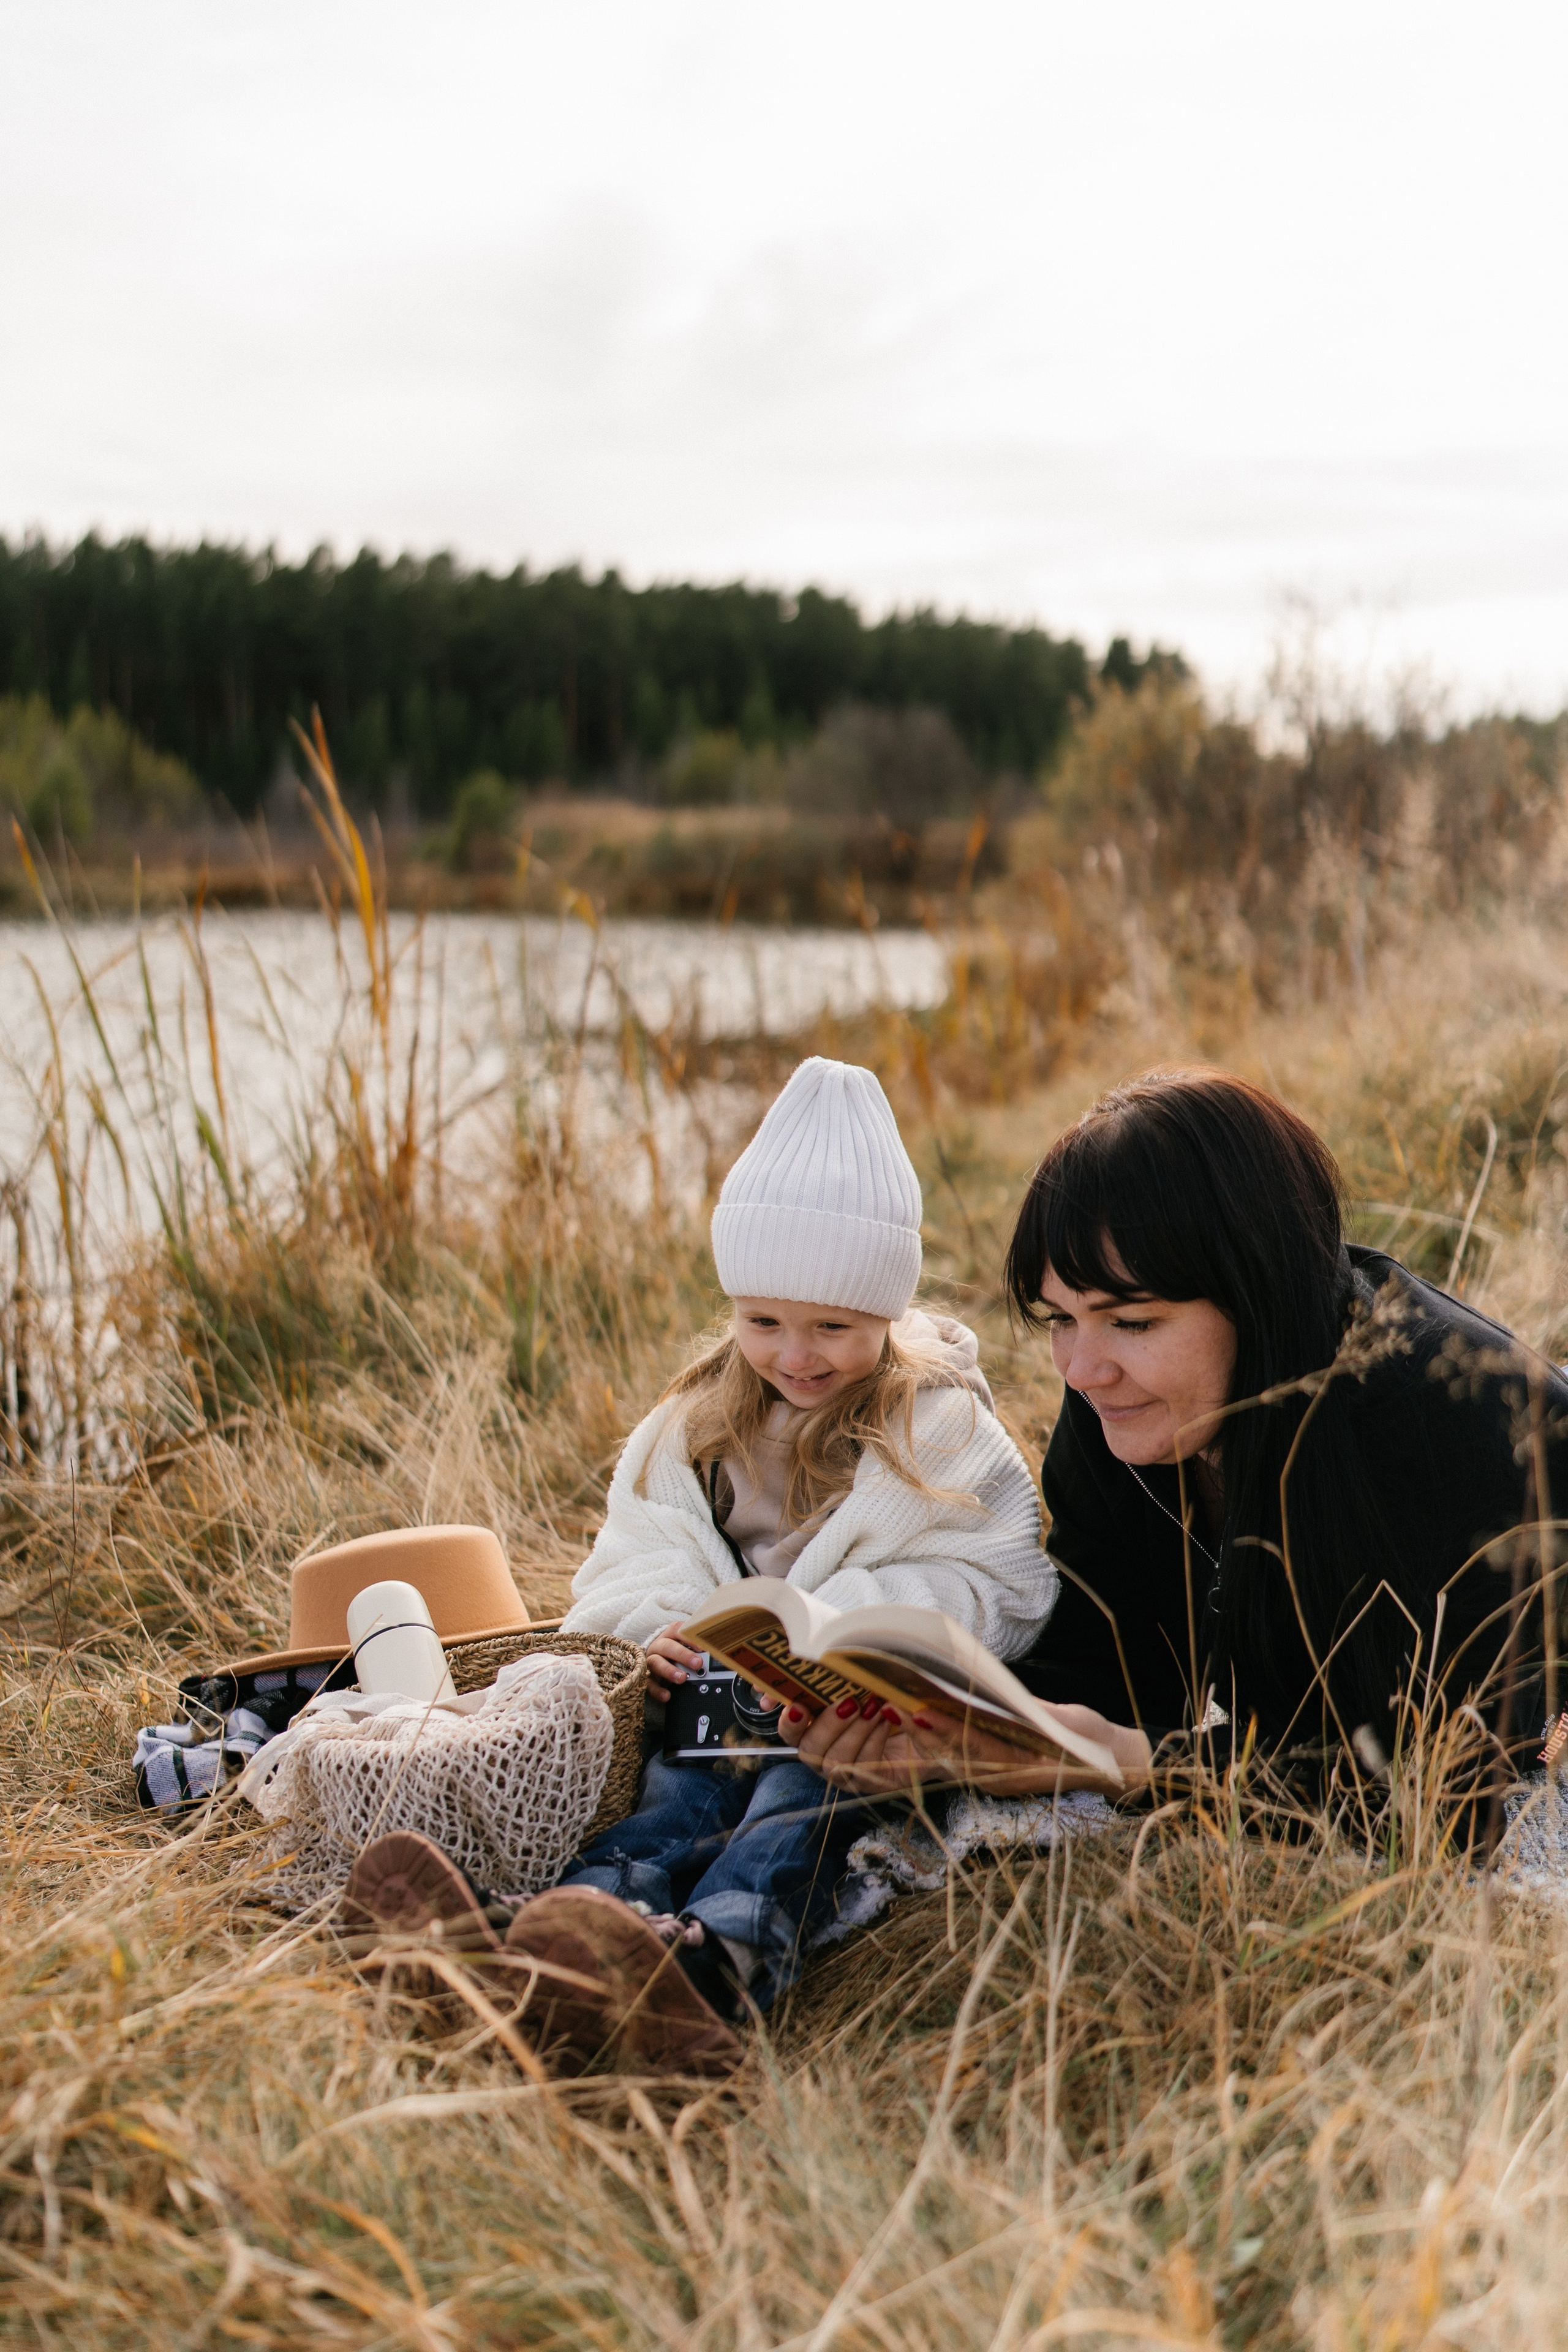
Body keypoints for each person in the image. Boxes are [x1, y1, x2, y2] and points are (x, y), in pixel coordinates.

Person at [346, 1055, 1053, 2070]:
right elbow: (634, 1553)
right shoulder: (699, 1421)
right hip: (718, 1698)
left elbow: (1003, 1579)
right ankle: (558, 1940)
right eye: (763, 1322)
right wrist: (664, 1625)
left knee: (789, 1816)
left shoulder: (937, 1430)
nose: (796, 1356)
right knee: (674, 1801)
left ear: (887, 1315)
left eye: (834, 1328)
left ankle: (710, 1968)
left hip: (850, 1727)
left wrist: (854, 1618)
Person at [779, 1068, 1568, 1829]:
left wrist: (1132, 1764)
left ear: (1259, 1293)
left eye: (1133, 1322)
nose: (1082, 1371)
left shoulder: (1472, 1430)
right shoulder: (1121, 1406)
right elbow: (1109, 1667)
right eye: (1061, 1320)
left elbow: (1447, 1785)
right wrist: (945, 1728)